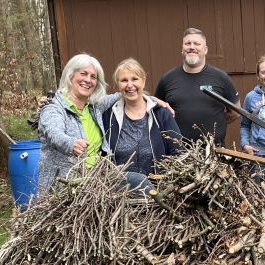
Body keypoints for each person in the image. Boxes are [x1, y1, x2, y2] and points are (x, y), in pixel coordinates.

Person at [101, 58, 180, 193]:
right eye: (124, 80)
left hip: (158, 195)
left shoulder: (161, 114)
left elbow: (178, 152)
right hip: (119, 196)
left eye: (134, 79)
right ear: (118, 85)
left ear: (143, 80)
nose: (130, 85)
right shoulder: (109, 116)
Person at [38, 53, 110, 195]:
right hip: (62, 190)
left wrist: (156, 101)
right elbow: (54, 133)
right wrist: (71, 143)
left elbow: (124, 94)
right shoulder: (53, 108)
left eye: (93, 77)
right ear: (70, 76)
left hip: (94, 187)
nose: (88, 80)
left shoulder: (94, 108)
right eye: (83, 74)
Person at [154, 27, 240, 144]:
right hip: (177, 152)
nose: (192, 47)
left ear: (205, 50)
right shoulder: (168, 79)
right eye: (187, 43)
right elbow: (157, 111)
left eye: (197, 44)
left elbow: (235, 111)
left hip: (214, 152)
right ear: (182, 49)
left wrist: (215, 121)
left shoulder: (221, 77)